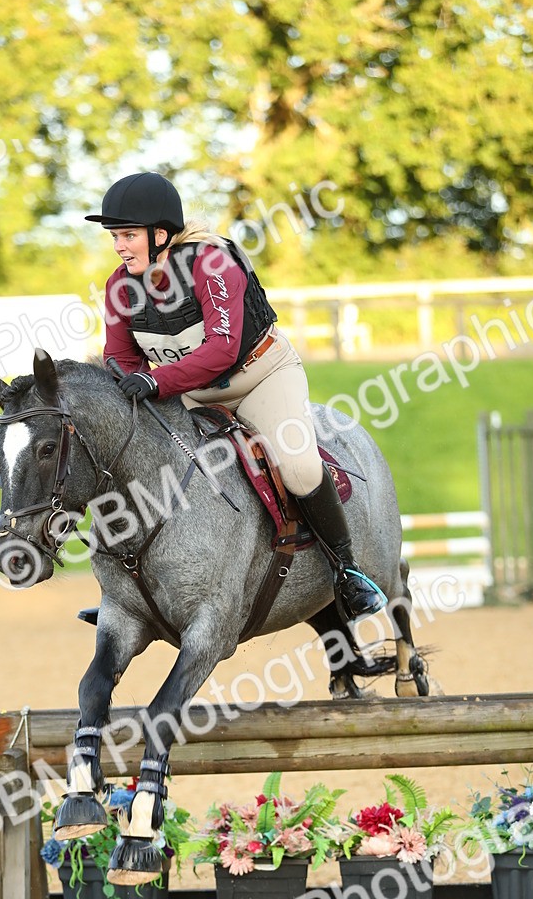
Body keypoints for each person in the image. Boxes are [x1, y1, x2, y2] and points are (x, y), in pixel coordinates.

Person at [86, 170, 386, 621]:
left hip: (260, 377)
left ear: (160, 235)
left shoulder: (211, 265)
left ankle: (347, 572)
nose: (119, 247)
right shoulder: (119, 289)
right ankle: (130, 594)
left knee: (300, 469)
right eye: (115, 237)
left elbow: (222, 350)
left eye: (128, 235)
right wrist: (132, 381)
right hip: (191, 392)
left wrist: (156, 382)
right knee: (145, 463)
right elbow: (119, 356)